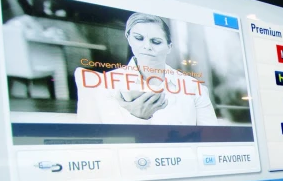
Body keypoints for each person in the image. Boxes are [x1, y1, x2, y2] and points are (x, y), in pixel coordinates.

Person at [75, 13, 218, 125]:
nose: (147, 46)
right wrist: (139, 118)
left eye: (156, 41)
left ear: (169, 47)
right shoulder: (103, 84)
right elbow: (100, 141)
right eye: (139, 38)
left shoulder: (192, 86)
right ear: (128, 38)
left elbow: (213, 139)